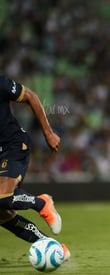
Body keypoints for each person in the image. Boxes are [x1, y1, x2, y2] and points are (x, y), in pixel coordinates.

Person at [0, 75, 70, 260]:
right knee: (2, 214)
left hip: (12, 146)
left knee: (2, 196)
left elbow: (30, 96)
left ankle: (41, 203)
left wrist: (48, 132)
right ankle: (53, 248)